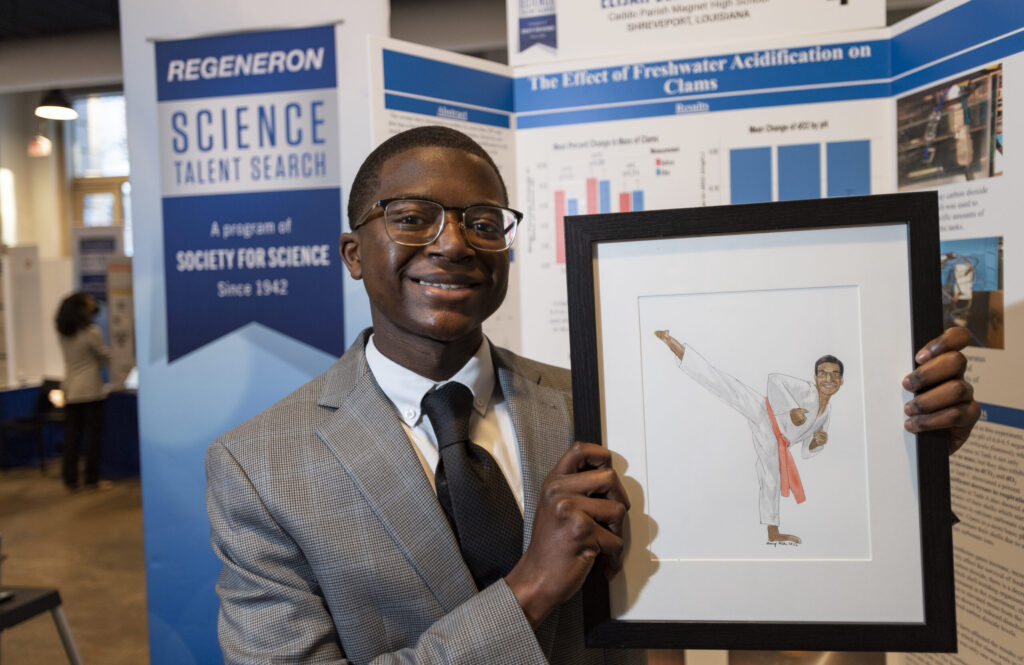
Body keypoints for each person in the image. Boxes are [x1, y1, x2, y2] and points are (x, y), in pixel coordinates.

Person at [206, 126, 980, 665]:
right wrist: (530, 589)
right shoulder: (258, 467)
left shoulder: (609, 401)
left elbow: (771, 537)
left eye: (482, 221)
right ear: (353, 252)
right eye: (412, 218)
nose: (451, 242)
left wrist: (900, 445)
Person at [654, 330, 845, 544]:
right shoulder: (805, 390)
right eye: (823, 373)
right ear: (816, 377)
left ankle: (773, 533)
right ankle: (672, 343)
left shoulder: (825, 415)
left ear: (842, 381)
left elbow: (808, 451)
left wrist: (816, 442)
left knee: (770, 476)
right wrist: (791, 409)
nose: (829, 379)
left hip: (775, 439)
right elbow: (774, 380)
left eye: (835, 375)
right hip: (764, 411)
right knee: (725, 385)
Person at [55, 291, 111, 491]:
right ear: (81, 308)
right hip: (90, 391)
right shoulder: (92, 332)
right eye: (89, 302)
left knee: (72, 437)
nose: (93, 304)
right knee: (92, 437)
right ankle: (91, 480)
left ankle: (70, 480)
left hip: (71, 389)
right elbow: (104, 357)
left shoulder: (63, 333)